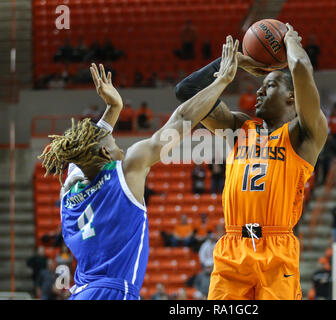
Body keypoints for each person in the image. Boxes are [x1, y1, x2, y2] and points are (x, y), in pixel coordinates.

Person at [37, 37, 239, 300]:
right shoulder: (128, 169)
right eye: (114, 141)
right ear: (105, 152)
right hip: (113, 293)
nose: (120, 145)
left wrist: (114, 107)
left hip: (81, 292)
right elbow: (182, 118)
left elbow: (86, 147)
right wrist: (221, 80)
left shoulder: (70, 189)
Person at [175, 23, 328, 300]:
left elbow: (302, 70)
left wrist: (290, 41)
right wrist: (238, 61)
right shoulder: (240, 127)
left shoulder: (304, 135)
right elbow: (187, 91)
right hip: (233, 246)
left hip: (276, 246)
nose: (257, 93)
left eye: (268, 86)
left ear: (291, 97)